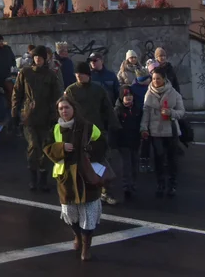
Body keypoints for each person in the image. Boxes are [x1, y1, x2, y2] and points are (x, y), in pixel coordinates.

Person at [45, 97, 106, 262]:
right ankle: (77, 235)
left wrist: (89, 151)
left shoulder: (88, 127)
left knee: (88, 213)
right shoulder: (56, 129)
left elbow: (102, 143)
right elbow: (47, 147)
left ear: (74, 109)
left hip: (86, 175)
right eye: (61, 108)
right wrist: (61, 148)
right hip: (66, 177)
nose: (64, 111)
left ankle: (86, 247)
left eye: (67, 107)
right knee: (69, 212)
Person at [64, 61, 120, 205]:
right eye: (76, 75)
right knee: (80, 162)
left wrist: (114, 125)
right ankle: (84, 191)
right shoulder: (71, 90)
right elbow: (65, 110)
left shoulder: (98, 89)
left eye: (81, 74)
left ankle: (107, 191)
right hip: (78, 131)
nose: (78, 77)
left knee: (102, 159)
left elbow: (107, 108)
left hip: (97, 130)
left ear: (87, 75)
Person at [13, 45, 63, 192]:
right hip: (29, 116)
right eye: (36, 57)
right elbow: (17, 93)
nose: (38, 60)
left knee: (46, 148)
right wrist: (14, 112)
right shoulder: (25, 73)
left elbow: (57, 96)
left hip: (46, 117)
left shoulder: (50, 75)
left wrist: (56, 115)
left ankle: (43, 178)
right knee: (33, 146)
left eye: (40, 58)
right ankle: (33, 178)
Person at [140, 67, 185, 198]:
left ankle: (172, 184)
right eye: (153, 79)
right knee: (159, 158)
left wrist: (171, 113)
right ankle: (161, 184)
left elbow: (182, 112)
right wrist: (143, 128)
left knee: (172, 159)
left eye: (158, 78)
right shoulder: (148, 94)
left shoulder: (173, 93)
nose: (155, 81)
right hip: (156, 132)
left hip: (171, 131)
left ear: (164, 79)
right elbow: (146, 113)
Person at [114, 86, 142, 201]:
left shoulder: (137, 109)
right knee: (126, 164)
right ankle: (126, 186)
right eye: (126, 96)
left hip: (135, 140)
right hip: (123, 142)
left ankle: (133, 184)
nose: (128, 98)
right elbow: (114, 127)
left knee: (135, 163)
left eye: (130, 95)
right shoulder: (118, 110)